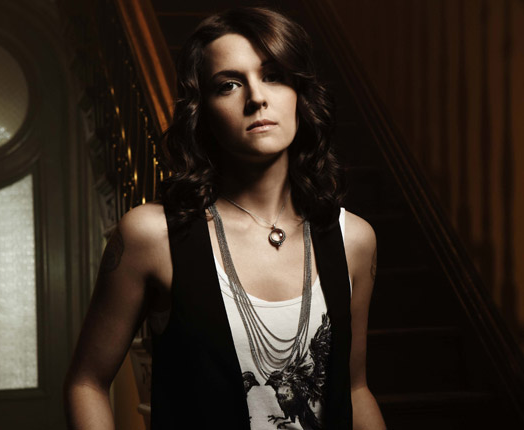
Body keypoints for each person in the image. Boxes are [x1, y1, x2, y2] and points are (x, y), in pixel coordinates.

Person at [64, 6, 386, 430]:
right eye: (228, 85)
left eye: (273, 75)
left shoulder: (353, 240)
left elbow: (355, 390)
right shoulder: (152, 236)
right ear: (203, 111)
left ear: (299, 94)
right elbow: (86, 383)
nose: (257, 98)